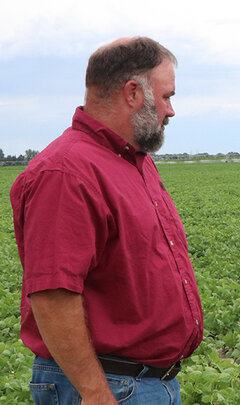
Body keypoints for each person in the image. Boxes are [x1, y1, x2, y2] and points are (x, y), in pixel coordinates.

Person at [10, 37, 203, 405]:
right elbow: (52, 296)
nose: (171, 110)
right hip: (109, 386)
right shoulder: (66, 172)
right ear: (133, 93)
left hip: (143, 383)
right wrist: (96, 394)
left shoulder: (133, 161)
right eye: (167, 96)